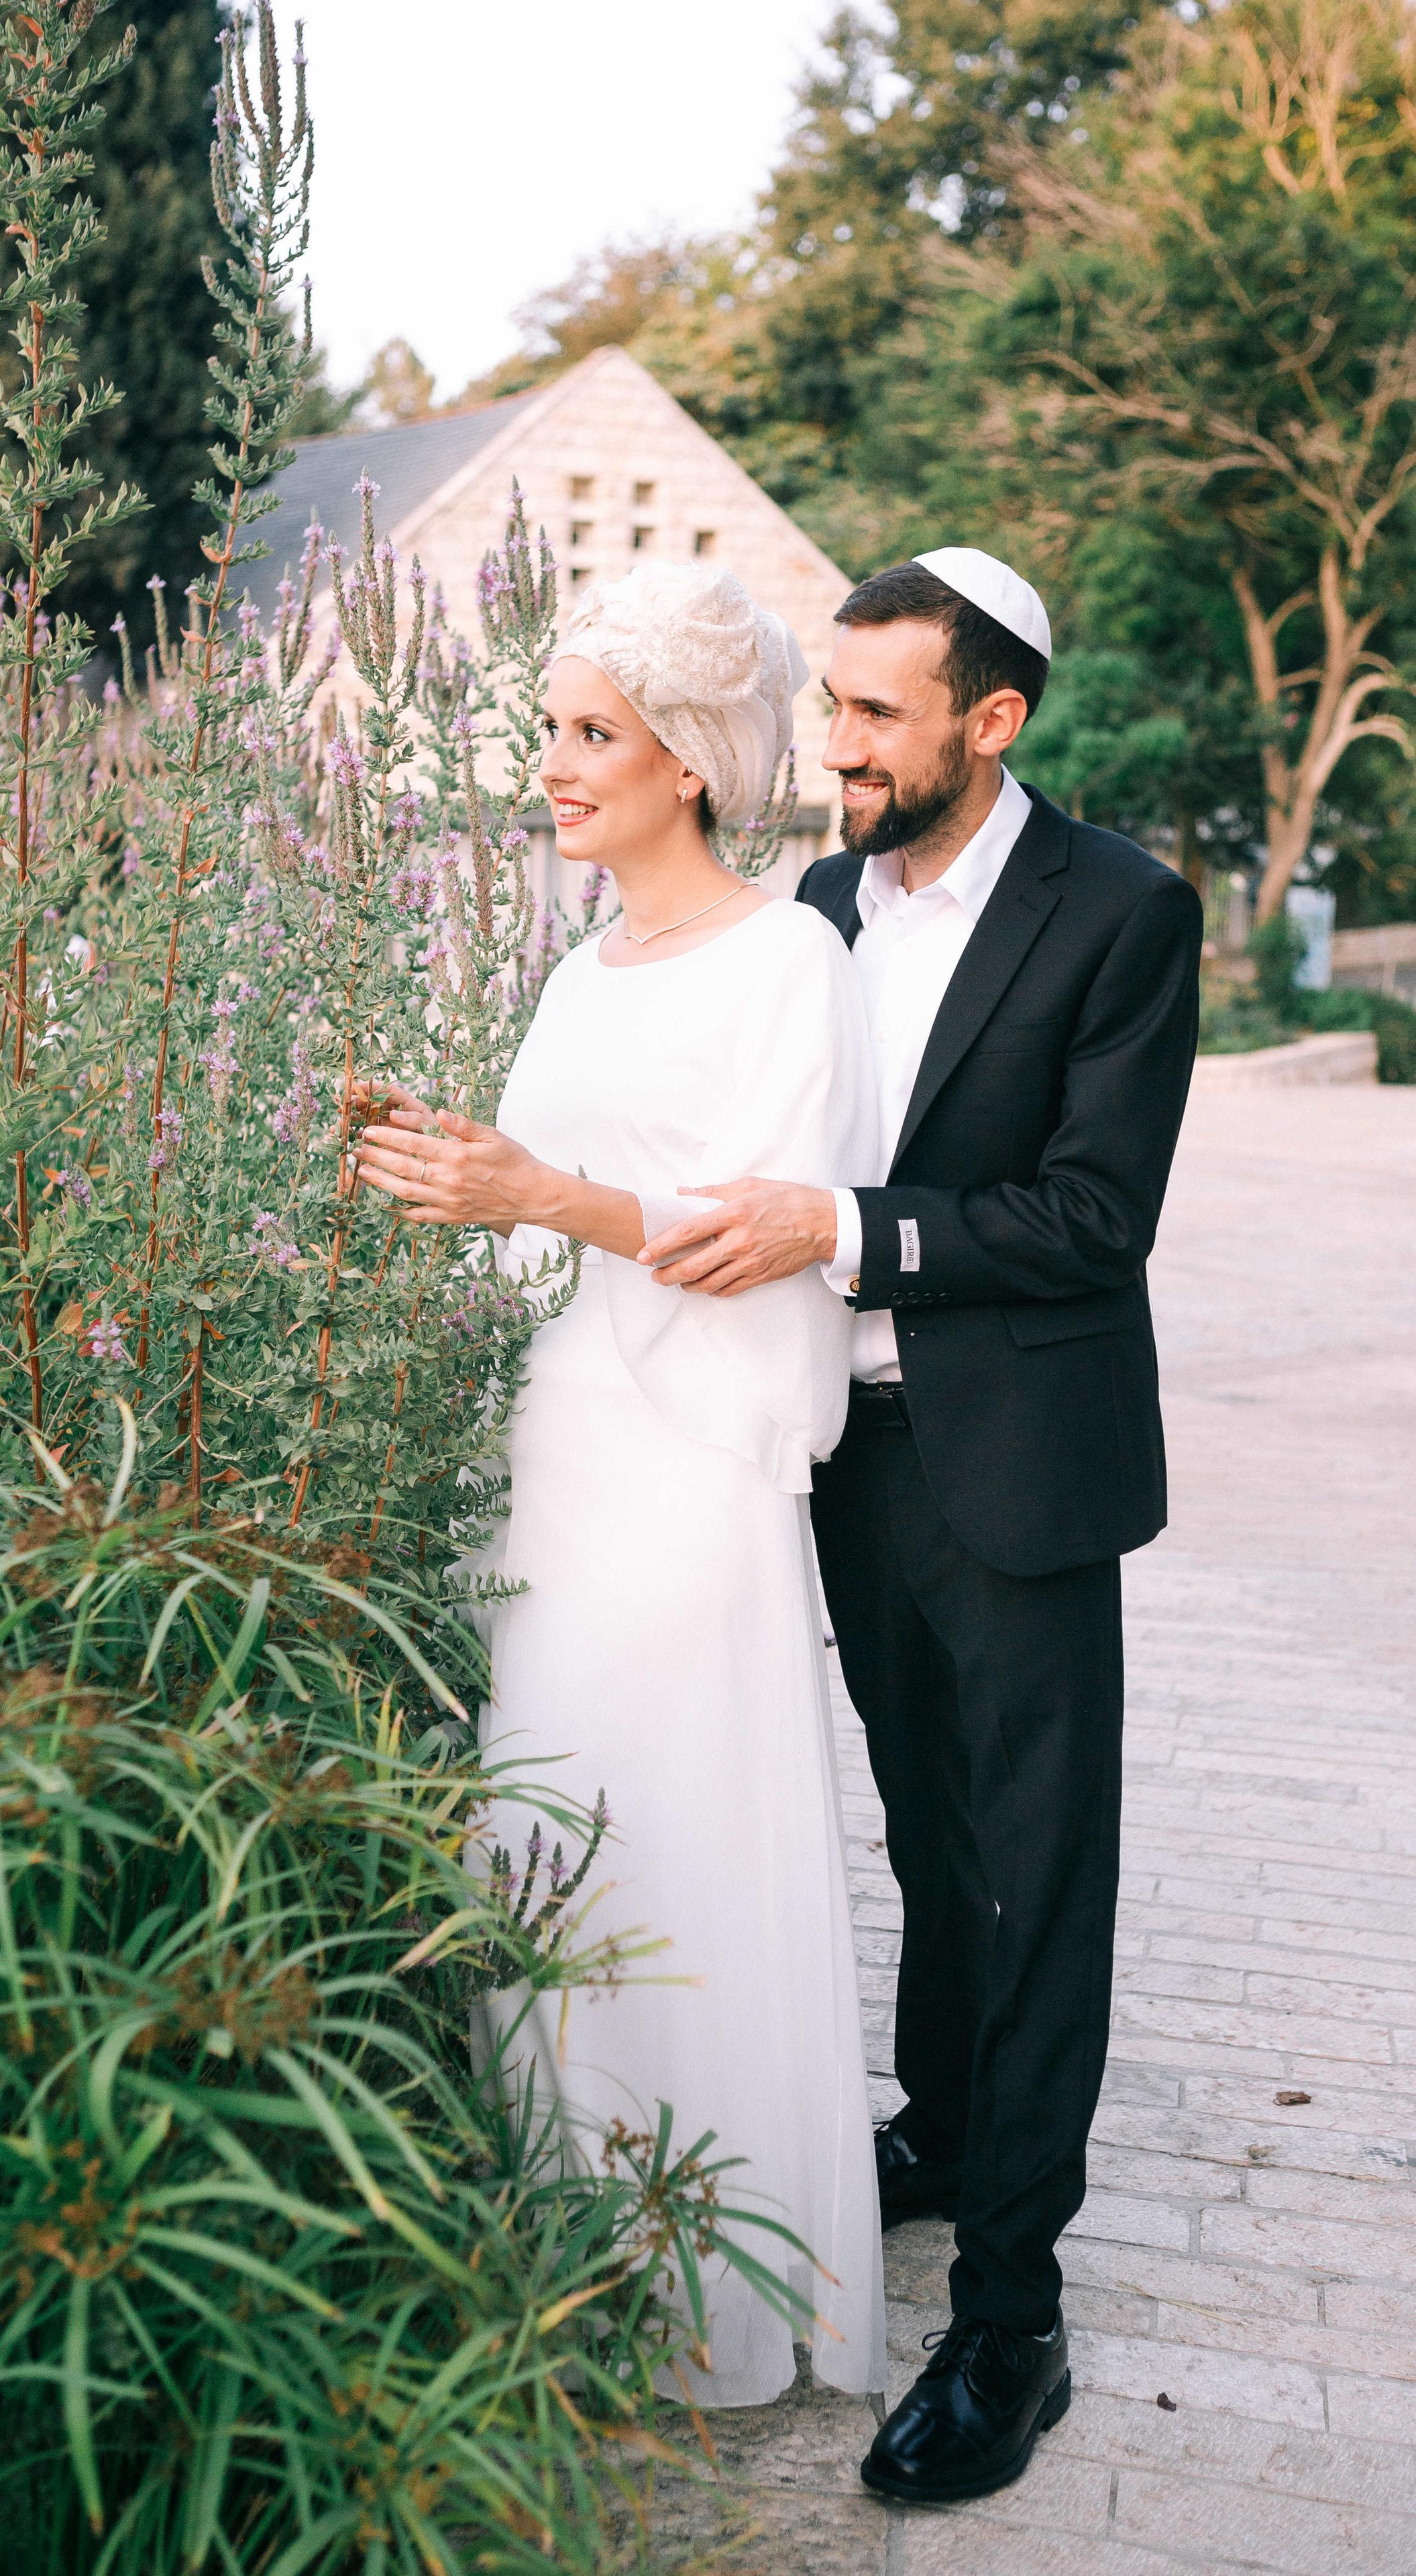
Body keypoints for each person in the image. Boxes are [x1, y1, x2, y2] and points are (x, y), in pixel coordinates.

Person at [640, 549, 1204, 2501]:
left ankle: (1013, 2316)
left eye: (877, 714)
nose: (837, 747)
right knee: (927, 1825)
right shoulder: (805, 906)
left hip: (1027, 1472)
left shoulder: (1125, 909)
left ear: (993, 722)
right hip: (854, 1465)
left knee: (1041, 1871)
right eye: (833, 705)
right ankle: (946, 2132)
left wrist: (848, 1237)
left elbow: (1092, 1217)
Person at [354, 557, 887, 2407]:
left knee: (667, 1833)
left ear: (688, 759)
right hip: (555, 1450)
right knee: (546, 1827)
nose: (557, 763)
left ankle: (705, 2286)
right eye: (556, 729)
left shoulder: (791, 962)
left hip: (688, 1473)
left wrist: (552, 1199)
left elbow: (767, 1235)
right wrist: (442, 1168)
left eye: (592, 735)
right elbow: (533, 1217)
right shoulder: (584, 964)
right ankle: (561, 2250)